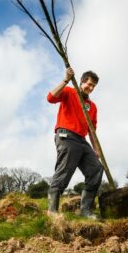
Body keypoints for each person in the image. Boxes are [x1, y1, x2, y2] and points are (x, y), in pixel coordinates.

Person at [47, 67, 103, 218]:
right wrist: (65, 80)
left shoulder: (92, 107)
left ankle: (85, 211)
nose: (90, 88)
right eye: (89, 84)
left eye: (93, 86)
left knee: (96, 169)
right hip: (66, 135)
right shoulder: (69, 92)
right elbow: (50, 98)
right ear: (82, 81)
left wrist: (96, 150)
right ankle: (52, 212)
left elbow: (92, 130)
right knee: (65, 171)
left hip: (82, 140)